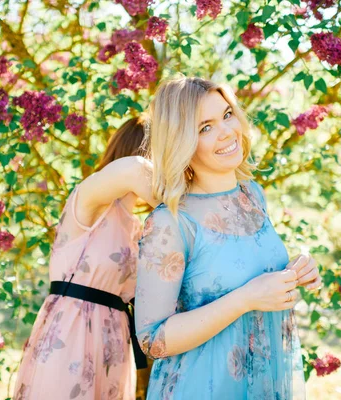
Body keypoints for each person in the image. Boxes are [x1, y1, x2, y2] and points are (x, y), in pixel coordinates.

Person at [135, 77, 322, 399]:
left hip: (264, 385)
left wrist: (297, 271)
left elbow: (255, 277)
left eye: (226, 115)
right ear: (181, 141)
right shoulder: (171, 222)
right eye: (205, 127)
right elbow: (152, 339)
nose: (226, 132)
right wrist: (245, 299)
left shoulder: (252, 195)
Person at [14, 116, 157, 400]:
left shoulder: (138, 226)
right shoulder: (92, 198)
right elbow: (133, 170)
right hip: (73, 335)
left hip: (113, 339)